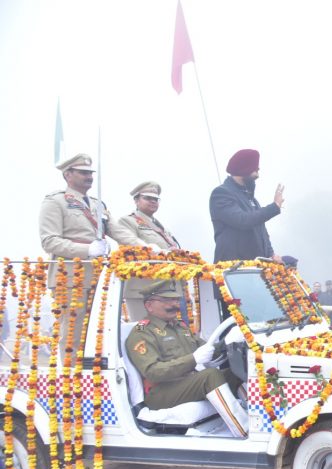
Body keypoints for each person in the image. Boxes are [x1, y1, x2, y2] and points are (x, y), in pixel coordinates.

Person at [40, 153, 139, 357]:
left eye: (90, 173)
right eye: (83, 173)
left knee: (98, 330)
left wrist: (145, 246)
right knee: (73, 332)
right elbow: (49, 241)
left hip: (98, 275)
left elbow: (118, 231)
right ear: (68, 175)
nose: (89, 177)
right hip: (70, 277)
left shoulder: (97, 204)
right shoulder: (55, 201)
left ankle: (93, 371)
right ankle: (71, 373)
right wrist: (87, 250)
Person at [125, 280, 248, 437]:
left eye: (176, 299)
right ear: (149, 305)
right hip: (161, 392)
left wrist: (228, 342)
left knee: (233, 373)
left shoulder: (180, 327)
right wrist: (193, 359)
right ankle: (244, 432)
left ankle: (256, 419)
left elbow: (207, 349)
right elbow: (153, 372)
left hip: (186, 383)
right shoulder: (142, 333)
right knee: (210, 376)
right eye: (167, 300)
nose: (175, 304)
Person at [209, 149, 284, 263]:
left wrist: (271, 254)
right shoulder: (221, 194)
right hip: (234, 268)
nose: (258, 175)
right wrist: (274, 207)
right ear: (244, 168)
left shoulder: (252, 199)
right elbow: (242, 220)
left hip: (255, 268)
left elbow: (262, 233)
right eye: (255, 170)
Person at [117, 181, 180, 250]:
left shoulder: (162, 228)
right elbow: (129, 250)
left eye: (155, 199)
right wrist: (164, 253)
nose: (153, 201)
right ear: (136, 201)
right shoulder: (127, 221)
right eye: (148, 198)